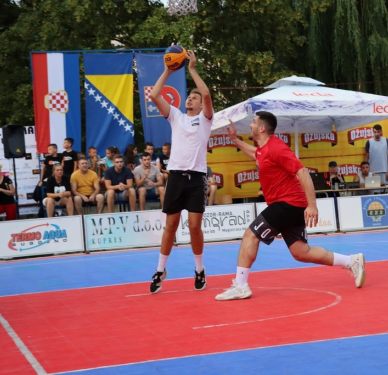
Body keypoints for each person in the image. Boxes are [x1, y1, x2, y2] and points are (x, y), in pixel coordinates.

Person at [215, 112, 365, 301]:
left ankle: (241, 286)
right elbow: (255, 154)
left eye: (253, 123)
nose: (250, 125)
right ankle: (352, 261)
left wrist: (312, 205)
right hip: (291, 204)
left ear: (262, 128)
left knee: (250, 235)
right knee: (301, 252)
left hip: (287, 202)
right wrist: (235, 140)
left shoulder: (276, 147)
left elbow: (302, 171)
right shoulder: (262, 149)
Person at [148, 49, 213, 293]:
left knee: (195, 227)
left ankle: (199, 270)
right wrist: (168, 70)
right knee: (171, 226)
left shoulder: (205, 120)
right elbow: (154, 94)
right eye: (189, 98)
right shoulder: (176, 116)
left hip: (196, 178)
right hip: (175, 176)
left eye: (193, 99)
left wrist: (192, 69)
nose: (190, 100)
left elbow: (206, 92)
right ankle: (160, 270)